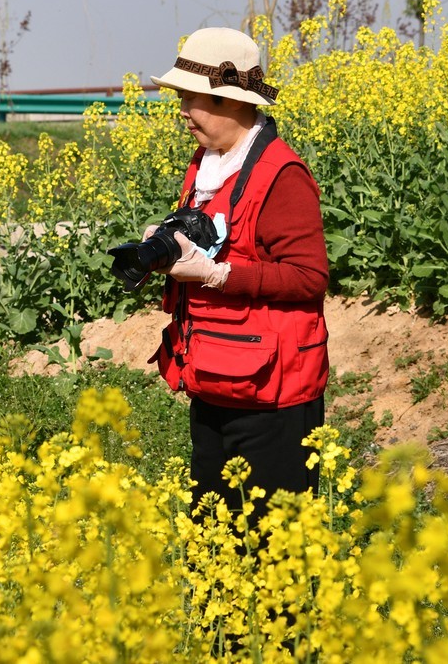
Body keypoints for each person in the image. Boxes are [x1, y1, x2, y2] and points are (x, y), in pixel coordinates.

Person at [146, 27, 329, 525]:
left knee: (274, 547)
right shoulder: (207, 165)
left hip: (272, 396)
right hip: (213, 379)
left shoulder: (282, 175)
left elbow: (308, 277)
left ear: (230, 101)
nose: (182, 111)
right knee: (213, 539)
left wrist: (218, 275)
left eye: (191, 98)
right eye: (181, 98)